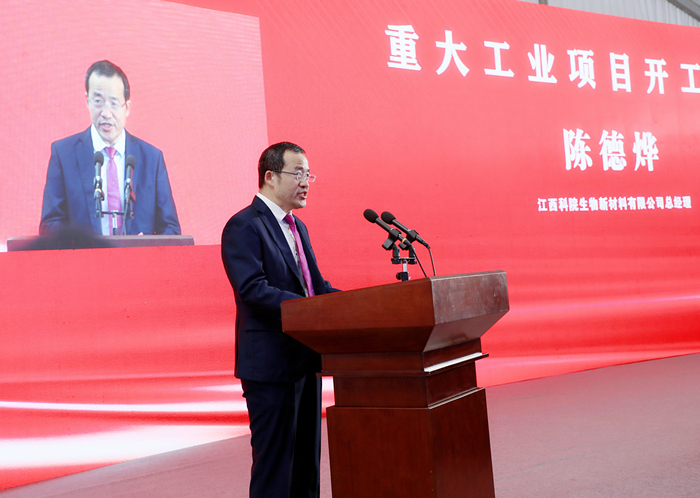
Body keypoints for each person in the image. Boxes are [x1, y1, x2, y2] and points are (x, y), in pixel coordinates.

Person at [221, 142, 339, 498]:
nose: (305, 182)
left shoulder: (297, 226)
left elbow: (315, 287)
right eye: (298, 173)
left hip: (305, 361)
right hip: (270, 367)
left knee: (305, 466)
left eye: (309, 175)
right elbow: (252, 289)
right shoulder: (244, 225)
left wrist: (362, 303)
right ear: (270, 177)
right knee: (275, 469)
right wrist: (310, 309)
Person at [40, 60, 180, 236]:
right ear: (87, 101)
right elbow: (50, 226)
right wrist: (82, 243)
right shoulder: (63, 155)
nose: (106, 113)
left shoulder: (152, 159)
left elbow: (171, 229)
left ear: (127, 107)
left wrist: (146, 247)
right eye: (98, 101)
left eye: (114, 103)